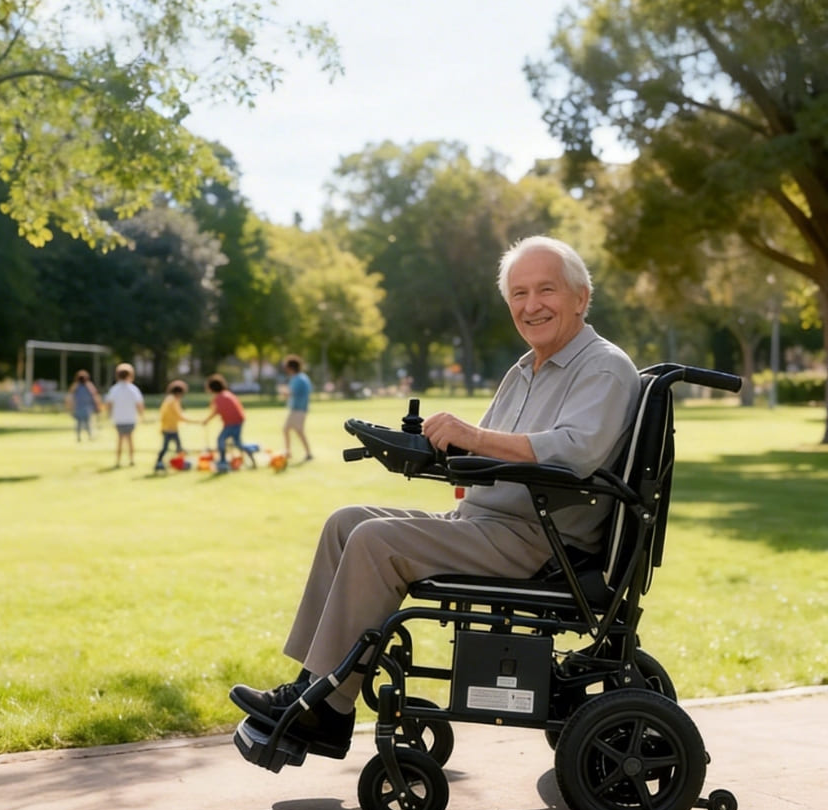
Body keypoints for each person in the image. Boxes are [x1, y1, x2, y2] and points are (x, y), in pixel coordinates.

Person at [230, 236, 641, 759]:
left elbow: (574, 454)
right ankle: (312, 685)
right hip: (487, 523)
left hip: (540, 541)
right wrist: (420, 449)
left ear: (581, 297)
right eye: (518, 294)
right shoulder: (526, 368)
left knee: (376, 541)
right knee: (345, 522)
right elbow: (483, 455)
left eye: (546, 290)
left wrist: (472, 436)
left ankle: (326, 707)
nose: (530, 305)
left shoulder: (602, 367)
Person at [104, 362, 145, 467]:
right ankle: (131, 460)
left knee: (120, 440)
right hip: (130, 418)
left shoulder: (114, 389)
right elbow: (139, 404)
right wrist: (142, 415)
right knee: (130, 440)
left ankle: (118, 461)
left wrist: (108, 414)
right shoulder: (133, 389)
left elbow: (109, 403)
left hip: (118, 419)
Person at [202, 373, 247, 466]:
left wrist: (207, 420)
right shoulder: (227, 394)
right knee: (237, 442)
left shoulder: (219, 398)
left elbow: (215, 411)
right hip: (237, 421)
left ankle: (222, 460)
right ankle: (248, 453)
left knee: (221, 439)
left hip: (231, 423)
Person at [154, 379, 192, 471]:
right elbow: (179, 416)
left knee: (178, 447)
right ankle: (159, 463)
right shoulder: (172, 401)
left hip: (170, 428)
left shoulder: (169, 400)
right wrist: (194, 421)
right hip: (169, 429)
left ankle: (179, 462)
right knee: (166, 448)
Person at [282, 354, 313, 461]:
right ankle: (288, 452)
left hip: (299, 409)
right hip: (297, 409)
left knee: (297, 430)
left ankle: (307, 454)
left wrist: (283, 391)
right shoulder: (300, 377)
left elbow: (291, 393)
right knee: (287, 429)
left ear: (291, 367)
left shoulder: (299, 378)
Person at [66, 369, 101, 441]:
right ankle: (89, 436)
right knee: (88, 423)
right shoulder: (88, 386)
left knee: (79, 423)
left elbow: (70, 397)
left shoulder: (76, 386)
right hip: (86, 408)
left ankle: (80, 437)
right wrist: (97, 406)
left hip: (80, 408)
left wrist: (70, 408)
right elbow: (95, 396)